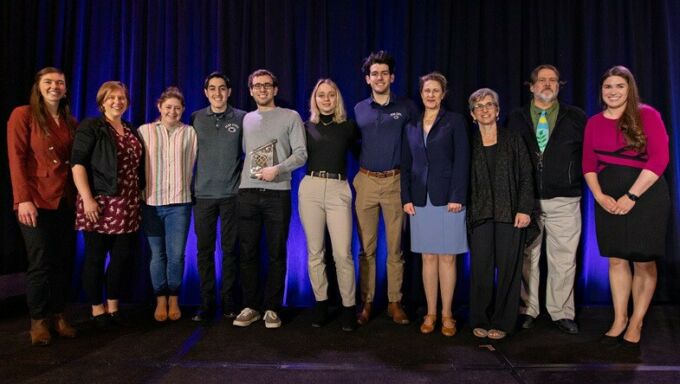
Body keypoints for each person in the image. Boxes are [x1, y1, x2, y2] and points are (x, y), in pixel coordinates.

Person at [583, 66, 669, 346]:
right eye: (608, 86)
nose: (613, 92)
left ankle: (637, 320)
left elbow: (659, 159)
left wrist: (631, 197)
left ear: (629, 89)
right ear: (601, 91)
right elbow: (588, 164)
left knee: (643, 260)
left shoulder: (648, 115)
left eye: (620, 86)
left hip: (645, 196)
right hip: (607, 197)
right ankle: (620, 318)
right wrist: (598, 195)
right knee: (617, 258)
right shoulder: (594, 122)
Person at [507, 64, 586, 334]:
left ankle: (561, 312)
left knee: (563, 259)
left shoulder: (575, 117)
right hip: (527, 201)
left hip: (564, 199)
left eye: (553, 80)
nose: (547, 85)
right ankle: (527, 309)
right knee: (528, 258)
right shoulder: (516, 118)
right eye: (541, 80)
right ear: (531, 86)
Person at [7, 67, 78, 345]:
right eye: (48, 82)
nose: (55, 87)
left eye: (60, 82)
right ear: (38, 86)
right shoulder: (23, 115)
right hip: (35, 199)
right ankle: (38, 320)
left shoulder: (70, 121)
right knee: (40, 261)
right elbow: (16, 158)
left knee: (62, 260)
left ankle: (58, 315)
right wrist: (22, 198)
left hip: (64, 199)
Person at [233, 69, 307, 329]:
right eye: (257, 86)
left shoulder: (291, 117)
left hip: (278, 193)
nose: (262, 89)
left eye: (267, 85)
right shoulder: (245, 119)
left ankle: (273, 308)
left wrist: (277, 169)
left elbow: (301, 155)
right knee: (248, 252)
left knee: (277, 252)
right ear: (251, 91)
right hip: (248, 192)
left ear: (275, 90)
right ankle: (251, 306)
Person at [71, 81, 144, 329]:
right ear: (102, 101)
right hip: (99, 202)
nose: (117, 102)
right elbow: (78, 163)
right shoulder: (92, 126)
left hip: (128, 203)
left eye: (121, 98)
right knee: (95, 257)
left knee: (121, 259)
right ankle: (96, 309)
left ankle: (113, 306)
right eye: (111, 98)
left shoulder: (130, 128)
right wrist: (88, 198)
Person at [401, 72, 469, 336]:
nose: (431, 95)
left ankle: (447, 314)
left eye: (435, 91)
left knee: (448, 258)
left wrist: (458, 196)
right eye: (426, 91)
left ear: (443, 94)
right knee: (428, 257)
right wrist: (406, 197)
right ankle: (430, 313)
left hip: (448, 199)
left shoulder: (455, 121)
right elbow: (406, 165)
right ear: (421, 94)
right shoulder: (410, 125)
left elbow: (462, 160)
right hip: (420, 200)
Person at [353, 50, 418, 325]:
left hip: (395, 182)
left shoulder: (406, 107)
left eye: (384, 73)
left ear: (391, 77)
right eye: (374, 74)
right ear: (368, 79)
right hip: (366, 181)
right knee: (366, 248)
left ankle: (395, 302)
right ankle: (366, 303)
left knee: (395, 248)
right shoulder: (358, 109)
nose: (379, 77)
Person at [467, 88, 534, 340]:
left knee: (509, 270)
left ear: (497, 110)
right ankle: (479, 319)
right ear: (473, 114)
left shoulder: (513, 139)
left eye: (489, 105)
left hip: (511, 213)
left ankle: (504, 322)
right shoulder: (469, 141)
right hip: (480, 213)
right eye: (478, 106)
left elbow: (527, 176)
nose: (484, 109)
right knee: (481, 270)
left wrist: (525, 209)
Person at [299, 79, 359, 331]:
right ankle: (321, 305)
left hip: (338, 189)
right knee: (315, 252)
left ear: (337, 99)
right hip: (311, 188)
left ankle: (348, 308)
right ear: (314, 99)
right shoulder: (305, 127)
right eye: (321, 95)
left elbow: (363, 156)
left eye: (330, 95)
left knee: (342, 254)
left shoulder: (348, 127)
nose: (325, 99)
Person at [190, 72, 246, 322]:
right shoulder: (196, 118)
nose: (217, 93)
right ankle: (206, 302)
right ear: (206, 92)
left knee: (230, 250)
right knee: (204, 251)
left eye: (222, 88)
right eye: (212, 89)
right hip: (203, 196)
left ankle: (229, 303)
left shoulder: (243, 118)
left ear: (229, 91)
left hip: (231, 196)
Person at [138, 87, 197, 322]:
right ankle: (160, 298)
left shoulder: (190, 133)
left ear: (183, 109)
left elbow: (194, 162)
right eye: (168, 107)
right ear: (159, 107)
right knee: (157, 255)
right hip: (151, 201)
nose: (172, 111)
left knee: (176, 255)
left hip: (179, 203)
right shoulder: (145, 131)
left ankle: (174, 297)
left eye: (177, 107)